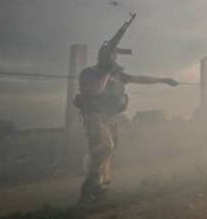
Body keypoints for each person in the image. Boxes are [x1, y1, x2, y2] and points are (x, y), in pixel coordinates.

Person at [76, 43, 178, 204]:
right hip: (94, 116)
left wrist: (163, 80)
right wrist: (107, 72)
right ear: (103, 58)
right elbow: (94, 91)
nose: (114, 60)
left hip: (111, 118)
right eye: (111, 57)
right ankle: (89, 189)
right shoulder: (89, 73)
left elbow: (139, 79)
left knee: (109, 151)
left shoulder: (117, 75)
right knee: (104, 148)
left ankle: (102, 188)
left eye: (114, 57)